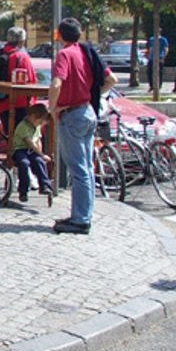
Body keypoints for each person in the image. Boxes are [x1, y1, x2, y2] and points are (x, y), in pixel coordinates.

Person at [48, 18, 116, 235]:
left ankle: (80, 220)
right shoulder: (86, 52)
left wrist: (53, 107)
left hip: (73, 114)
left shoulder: (65, 54)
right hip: (88, 110)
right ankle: (82, 214)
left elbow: (57, 82)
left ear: (60, 35)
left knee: (79, 170)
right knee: (86, 168)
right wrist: (92, 94)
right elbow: (111, 79)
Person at [0, 26, 37, 131]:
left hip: (0, 102)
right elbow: (32, 81)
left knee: (6, 133)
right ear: (22, 41)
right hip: (20, 104)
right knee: (19, 136)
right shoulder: (22, 57)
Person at [10, 103, 53, 204]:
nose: (40, 124)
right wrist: (42, 155)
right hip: (20, 149)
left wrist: (40, 155)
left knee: (39, 161)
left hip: (32, 151)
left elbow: (38, 141)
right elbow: (30, 143)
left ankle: (44, 185)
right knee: (24, 163)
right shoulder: (23, 126)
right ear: (33, 117)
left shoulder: (36, 127)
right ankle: (23, 190)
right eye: (39, 121)